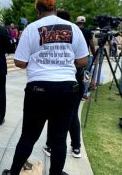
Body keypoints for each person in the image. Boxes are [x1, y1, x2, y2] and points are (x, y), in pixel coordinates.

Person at [2, 0, 88, 175]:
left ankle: (14, 172)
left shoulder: (32, 29)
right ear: (55, 8)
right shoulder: (73, 28)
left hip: (38, 90)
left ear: (38, 10)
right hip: (67, 89)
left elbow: (19, 62)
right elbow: (82, 61)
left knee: (28, 137)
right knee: (59, 139)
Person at [43, 10, 87, 159]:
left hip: (61, 80)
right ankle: (76, 147)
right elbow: (84, 59)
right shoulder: (80, 32)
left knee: (53, 115)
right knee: (72, 115)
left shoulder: (55, 33)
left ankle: (50, 145)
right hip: (75, 81)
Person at [75, 16, 96, 99]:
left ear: (77, 22)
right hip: (85, 56)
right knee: (86, 74)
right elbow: (91, 45)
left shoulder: (74, 30)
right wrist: (95, 55)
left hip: (75, 57)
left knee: (76, 75)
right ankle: (84, 93)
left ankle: (75, 92)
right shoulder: (88, 31)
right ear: (84, 22)